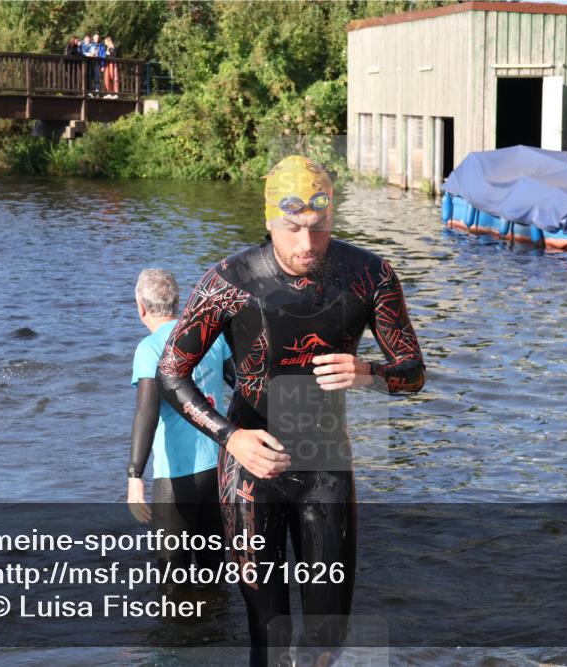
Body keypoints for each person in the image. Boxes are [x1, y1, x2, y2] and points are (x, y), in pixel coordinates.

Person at [157, 155, 425, 665]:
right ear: (268, 220)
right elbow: (171, 373)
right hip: (250, 465)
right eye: (292, 228)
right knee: (269, 637)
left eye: (318, 227)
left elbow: (413, 370)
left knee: (327, 638)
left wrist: (370, 373)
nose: (306, 244)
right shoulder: (228, 282)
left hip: (325, 465)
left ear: (332, 217)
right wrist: (230, 437)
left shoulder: (370, 275)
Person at [127, 269, 233, 571]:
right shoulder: (210, 336)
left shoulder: (149, 349)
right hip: (219, 467)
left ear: (141, 307)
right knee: (214, 567)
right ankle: (218, 617)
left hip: (176, 478)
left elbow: (146, 413)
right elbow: (244, 386)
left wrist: (135, 477)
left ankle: (181, 618)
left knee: (172, 576)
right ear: (178, 303)